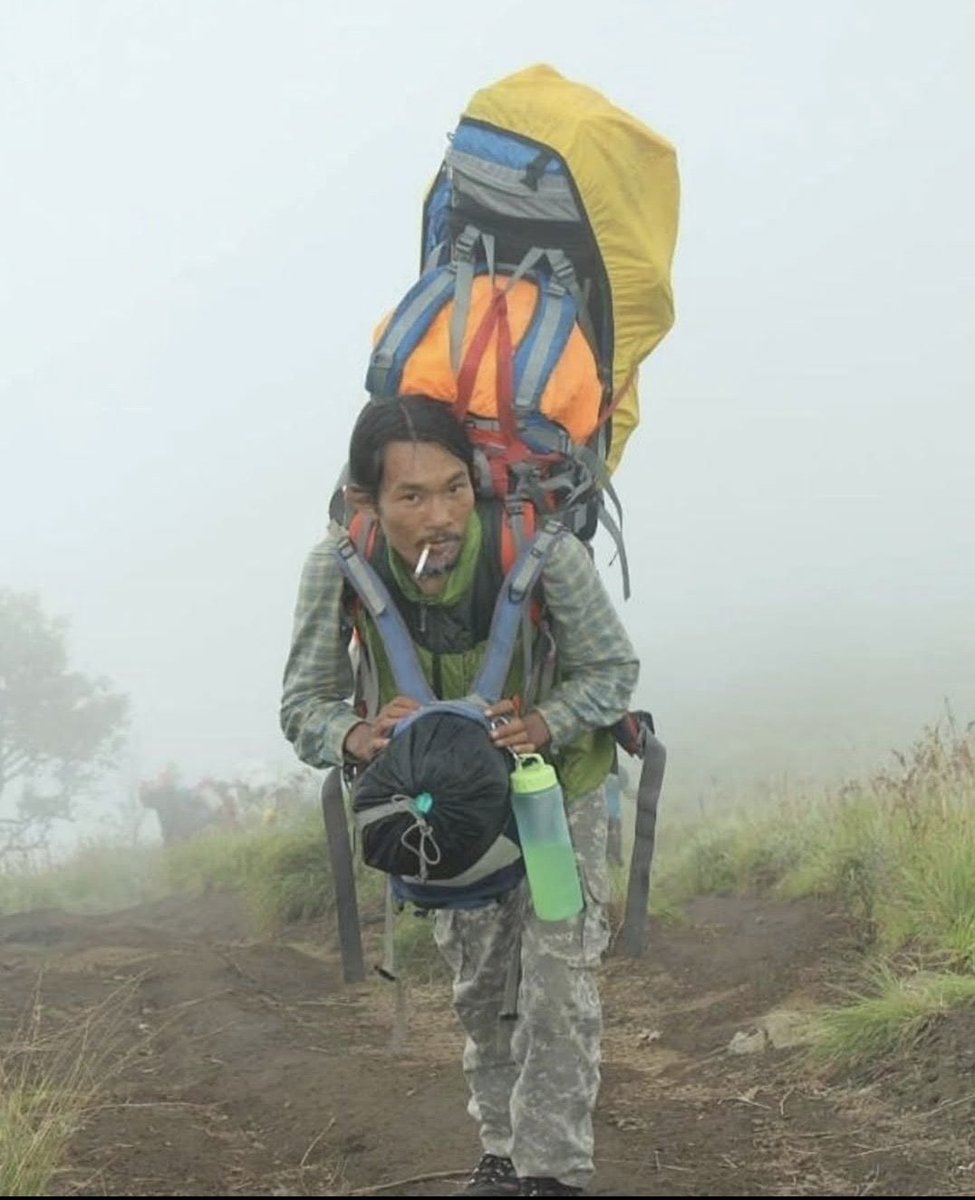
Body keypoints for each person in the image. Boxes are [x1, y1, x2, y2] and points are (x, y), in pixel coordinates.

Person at [280, 395, 639, 1197]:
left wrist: (544, 722)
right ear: (366, 500)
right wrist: (358, 735)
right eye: (410, 496)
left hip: (552, 794)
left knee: (555, 983)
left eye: (452, 489)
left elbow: (612, 671)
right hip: (442, 813)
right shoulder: (338, 565)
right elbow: (303, 705)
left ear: (474, 481)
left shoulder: (537, 550)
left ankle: (552, 1173)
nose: (439, 517)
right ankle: (503, 1151)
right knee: (481, 993)